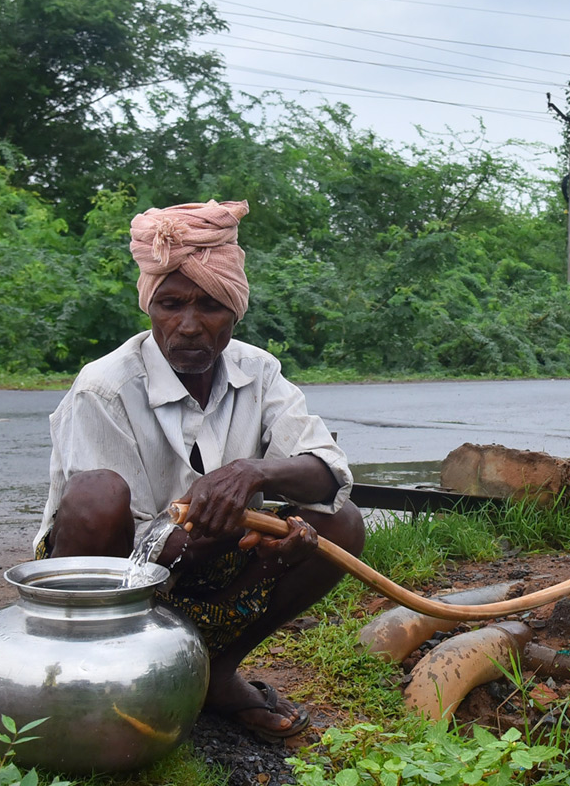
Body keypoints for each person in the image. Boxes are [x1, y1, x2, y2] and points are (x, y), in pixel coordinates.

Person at [34, 199, 365, 742]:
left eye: (210, 306)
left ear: (234, 312)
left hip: (210, 555)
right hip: (110, 568)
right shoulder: (105, 385)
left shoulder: (258, 371)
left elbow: (328, 472)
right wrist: (224, 528)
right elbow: (135, 546)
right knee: (95, 495)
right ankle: (96, 680)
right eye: (170, 304)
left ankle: (214, 674)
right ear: (150, 308)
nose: (188, 326)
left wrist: (252, 474)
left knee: (342, 524)